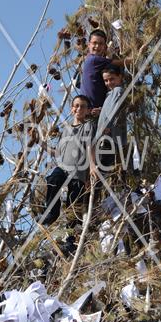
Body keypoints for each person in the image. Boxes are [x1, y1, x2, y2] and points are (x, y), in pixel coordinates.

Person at [42, 95, 96, 226]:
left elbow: (90, 146)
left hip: (78, 171)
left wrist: (93, 166)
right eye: (76, 106)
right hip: (63, 167)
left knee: (74, 202)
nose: (79, 109)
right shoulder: (66, 129)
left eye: (83, 106)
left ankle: (71, 237)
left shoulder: (88, 126)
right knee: (53, 180)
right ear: (72, 109)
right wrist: (41, 144)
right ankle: (51, 213)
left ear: (88, 110)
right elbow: (58, 153)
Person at [80, 29, 131, 116]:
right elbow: (122, 62)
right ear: (89, 45)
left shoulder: (89, 60)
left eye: (101, 44)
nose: (97, 46)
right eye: (94, 43)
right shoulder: (94, 60)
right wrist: (137, 54)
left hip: (95, 111)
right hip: (95, 112)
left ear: (105, 46)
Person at [95, 65, 129, 174]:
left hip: (109, 137)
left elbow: (114, 110)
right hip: (107, 137)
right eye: (106, 80)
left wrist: (107, 126)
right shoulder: (110, 94)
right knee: (100, 169)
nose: (109, 83)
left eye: (112, 79)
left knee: (100, 170)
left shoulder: (118, 91)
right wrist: (101, 112)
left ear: (120, 77)